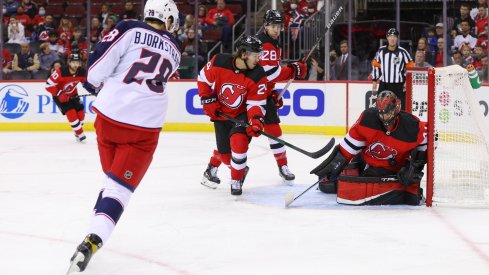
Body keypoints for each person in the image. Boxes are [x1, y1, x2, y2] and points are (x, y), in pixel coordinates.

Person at [66, 0, 181, 273]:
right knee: (118, 189)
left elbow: (96, 70)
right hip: (143, 128)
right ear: (167, 17)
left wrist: (93, 85)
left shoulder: (128, 28)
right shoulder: (176, 48)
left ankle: (95, 227)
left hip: (108, 118)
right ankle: (94, 240)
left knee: (111, 181)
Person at [200, 10, 307, 188]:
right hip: (252, 97)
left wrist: (271, 91)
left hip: (260, 95)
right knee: (238, 137)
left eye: (279, 26)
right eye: (273, 26)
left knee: (257, 134)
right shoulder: (263, 44)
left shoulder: (272, 42)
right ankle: (280, 167)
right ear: (265, 25)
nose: (277, 29)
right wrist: (293, 70)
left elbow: (264, 76)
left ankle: (282, 166)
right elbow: (268, 72)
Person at [310, 91, 428, 205]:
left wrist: (414, 167)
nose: (383, 117)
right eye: (381, 113)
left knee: (368, 181)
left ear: (396, 109)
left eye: (387, 113)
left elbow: (429, 140)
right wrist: (335, 163)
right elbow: (349, 146)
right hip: (367, 158)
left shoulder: (411, 126)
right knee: (333, 182)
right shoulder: (368, 119)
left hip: (391, 167)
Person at [198, 35, 268, 195]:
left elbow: (256, 104)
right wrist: (207, 99)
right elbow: (203, 79)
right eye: (256, 55)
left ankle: (236, 181)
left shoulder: (257, 74)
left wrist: (256, 120)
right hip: (221, 114)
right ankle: (238, 168)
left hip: (242, 114)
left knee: (239, 141)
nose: (258, 59)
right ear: (244, 54)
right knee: (225, 155)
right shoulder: (219, 61)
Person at [45, 53, 87, 142]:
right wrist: (59, 94)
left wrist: (94, 90)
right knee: (71, 113)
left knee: (81, 114)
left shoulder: (82, 72)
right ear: (69, 62)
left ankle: (77, 131)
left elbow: (86, 84)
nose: (76, 65)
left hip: (73, 95)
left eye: (77, 62)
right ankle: (80, 133)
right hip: (59, 96)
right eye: (73, 62)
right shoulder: (60, 72)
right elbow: (48, 85)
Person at [371, 28, 414, 110]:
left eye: (394, 36)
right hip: (384, 84)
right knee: (382, 108)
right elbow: (375, 64)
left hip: (399, 85)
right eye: (390, 36)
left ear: (397, 38)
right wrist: (374, 80)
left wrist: (407, 81)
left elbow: (411, 66)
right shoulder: (381, 51)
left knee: (401, 109)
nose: (392, 38)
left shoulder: (402, 52)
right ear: (387, 38)